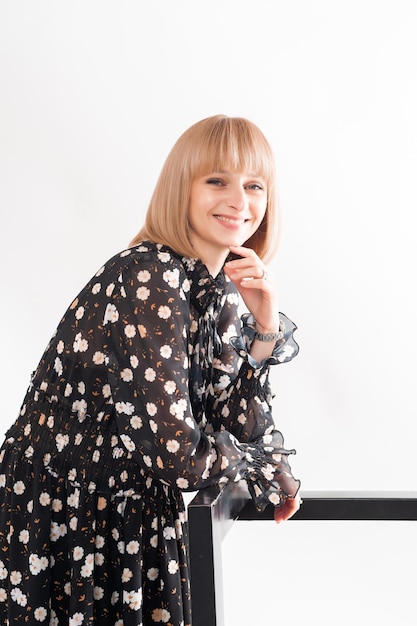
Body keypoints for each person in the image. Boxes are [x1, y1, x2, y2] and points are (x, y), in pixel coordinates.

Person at [0, 114, 301, 626]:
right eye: (216, 181)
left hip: (130, 516)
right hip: (67, 516)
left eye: (254, 185)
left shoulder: (217, 289)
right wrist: (256, 464)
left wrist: (264, 324)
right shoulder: (150, 272)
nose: (239, 201)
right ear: (179, 187)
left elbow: (232, 416)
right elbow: (178, 458)